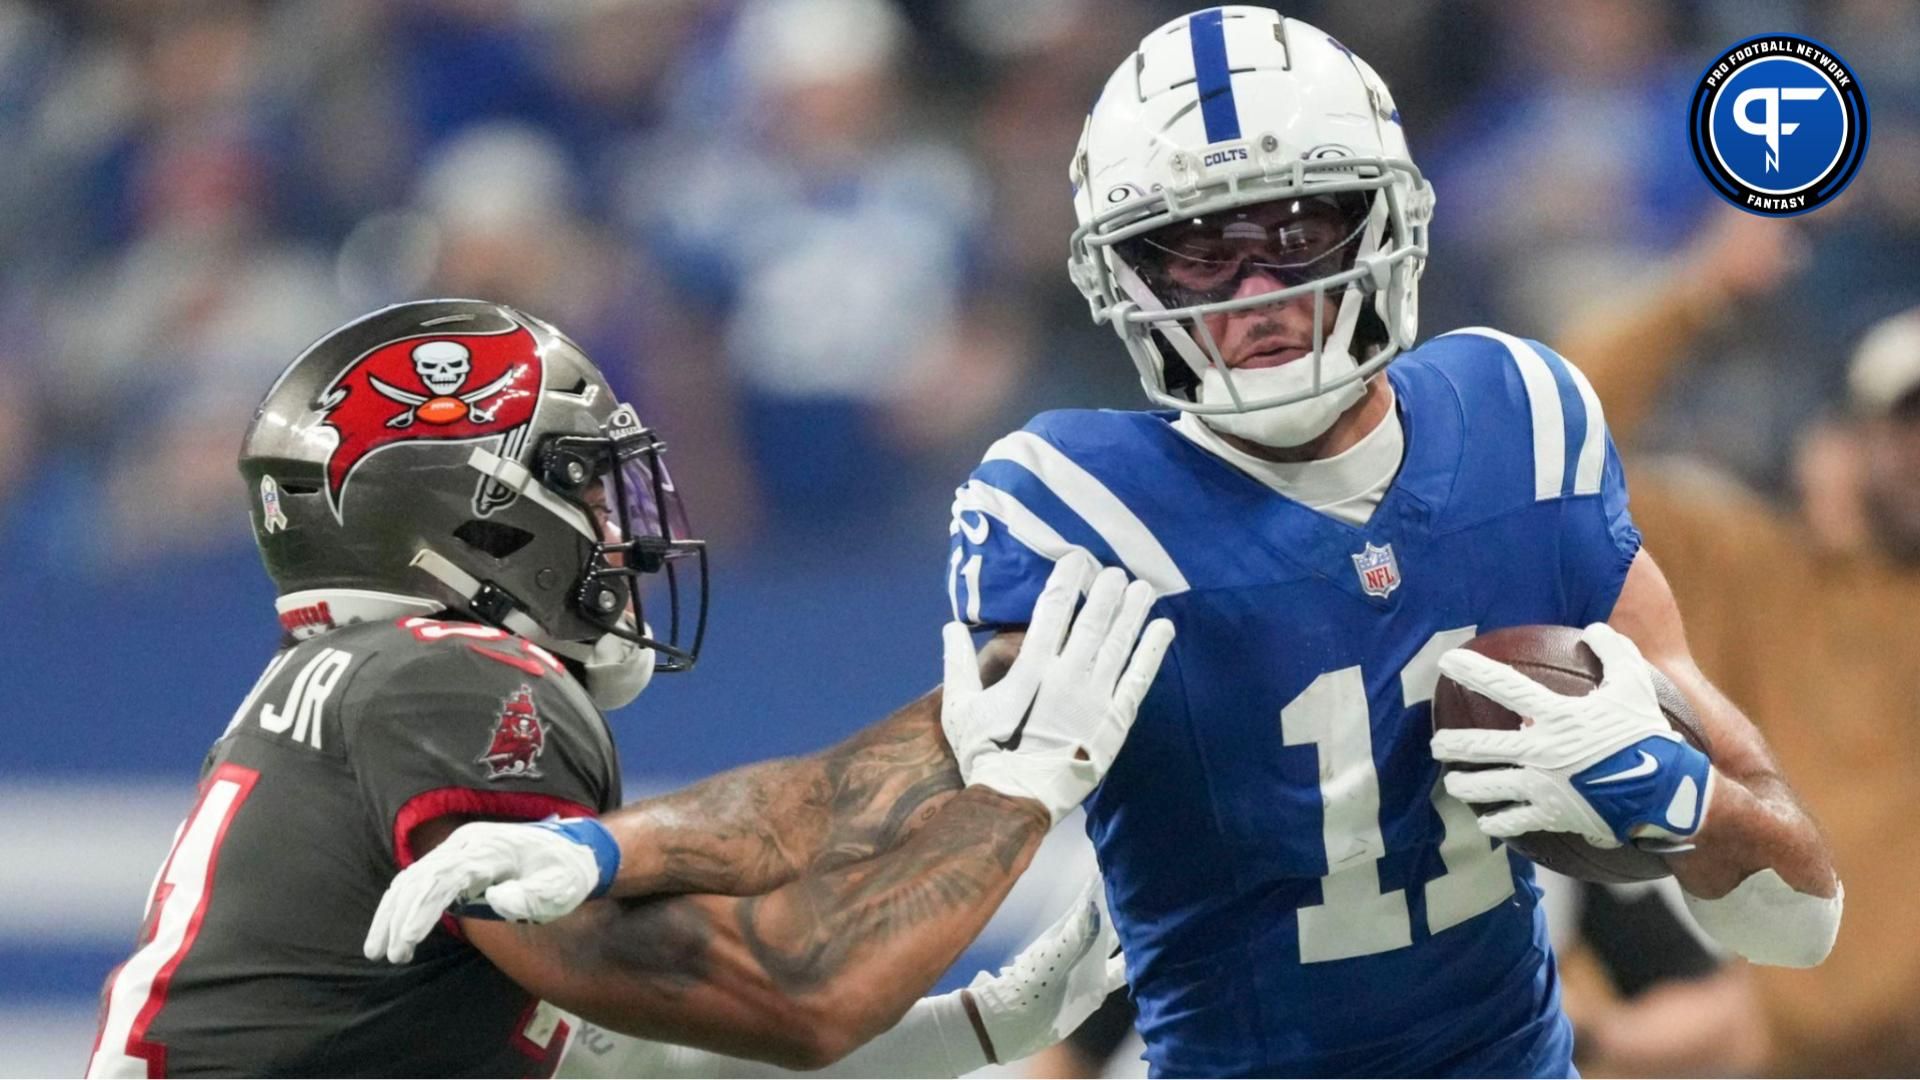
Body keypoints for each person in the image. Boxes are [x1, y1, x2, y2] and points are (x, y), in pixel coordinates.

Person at [372, 9, 1842, 1076]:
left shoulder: (1524, 416)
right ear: (1120, 277)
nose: (1253, 288)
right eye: (1197, 250)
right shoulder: (1076, 505)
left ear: (1386, 220)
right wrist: (611, 845)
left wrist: (1683, 805)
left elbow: (1800, 918)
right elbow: (890, 788)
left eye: (1298, 226)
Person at [87, 298, 1173, 1078]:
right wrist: (1010, 801)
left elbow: (647, 1047)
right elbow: (793, 995)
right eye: (581, 483)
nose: (623, 528)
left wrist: (987, 1014)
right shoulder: (453, 681)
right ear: (473, 512)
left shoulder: (371, 690)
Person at [1555, 268, 1920, 1075]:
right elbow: (1556, 451)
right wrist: (1699, 291)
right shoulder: (1756, 573)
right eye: (1910, 423)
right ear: (1854, 440)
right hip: (1730, 1050)